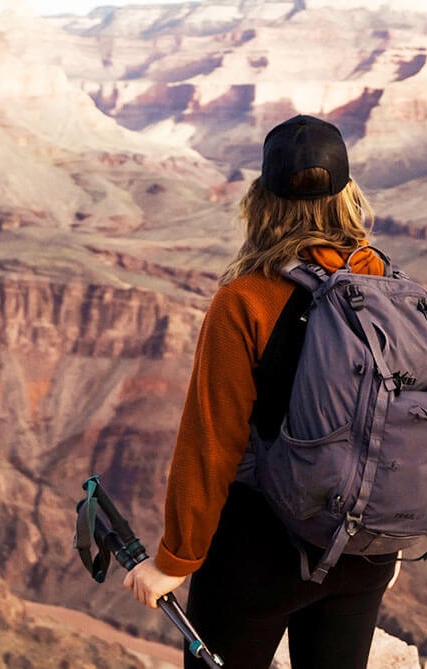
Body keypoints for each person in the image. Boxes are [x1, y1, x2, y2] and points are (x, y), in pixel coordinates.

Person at [124, 115, 399, 668]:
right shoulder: (387, 283)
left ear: (261, 201)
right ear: (348, 196)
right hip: (362, 550)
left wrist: (176, 558)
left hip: (261, 557)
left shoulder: (245, 299)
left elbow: (210, 443)